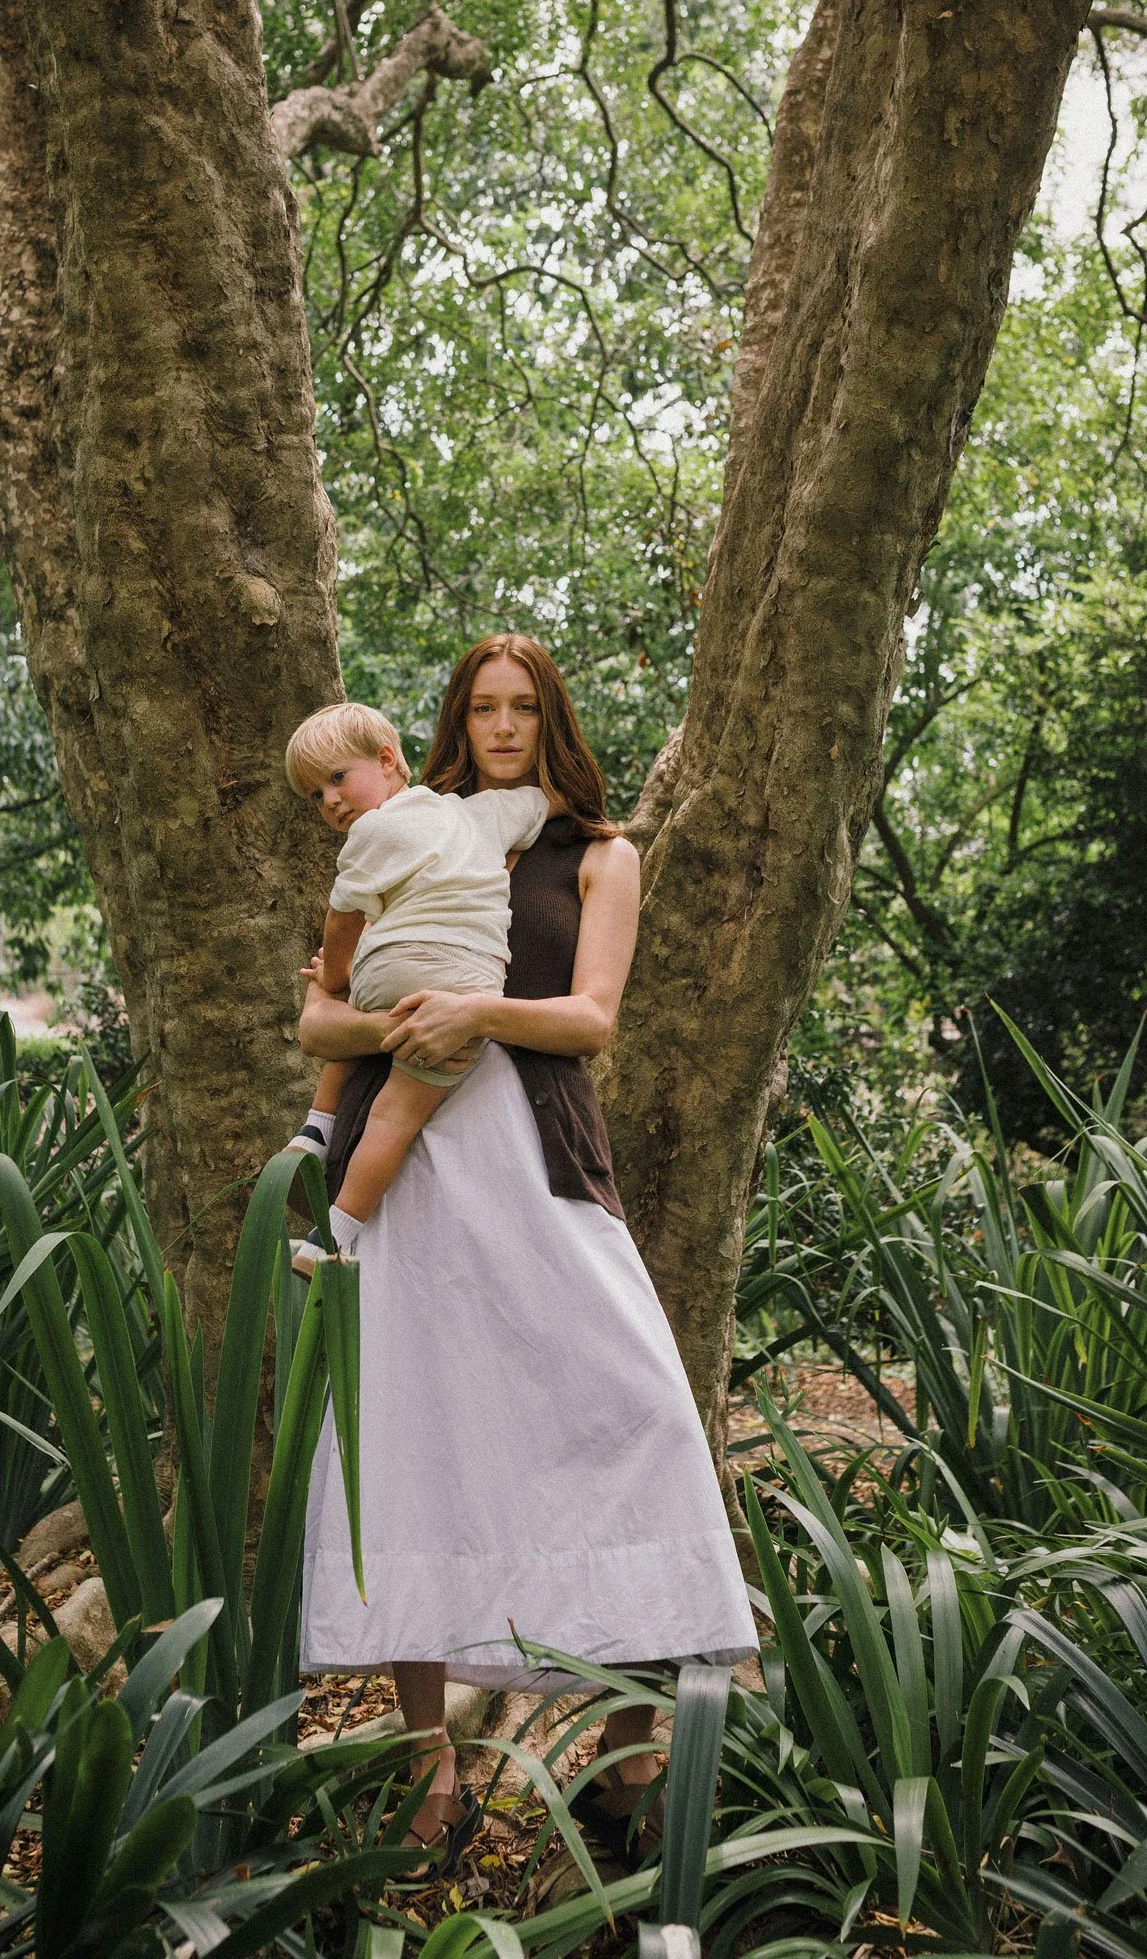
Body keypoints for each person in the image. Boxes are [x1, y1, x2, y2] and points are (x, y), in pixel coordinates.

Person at [298, 635, 757, 1878]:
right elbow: (325, 1012)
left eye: (523, 706)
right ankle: (427, 1772)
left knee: (643, 1414)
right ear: (452, 721)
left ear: (553, 717)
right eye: (482, 707)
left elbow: (593, 1020)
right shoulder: (411, 829)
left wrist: (478, 1011)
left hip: (540, 1158)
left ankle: (630, 1752)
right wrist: (388, 1026)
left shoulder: (604, 856)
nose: (502, 725)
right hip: (409, 1172)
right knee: (409, 1434)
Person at [281, 701, 548, 1244]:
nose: (330, 801)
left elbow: (342, 918)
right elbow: (537, 803)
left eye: (336, 780)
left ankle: (317, 1128)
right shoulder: (476, 815)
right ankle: (333, 1235)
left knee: (360, 992)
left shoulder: (371, 832)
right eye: (316, 795)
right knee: (395, 1117)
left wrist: (333, 979)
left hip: (394, 965)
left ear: (386, 760)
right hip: (468, 978)